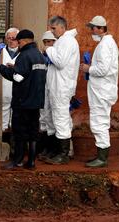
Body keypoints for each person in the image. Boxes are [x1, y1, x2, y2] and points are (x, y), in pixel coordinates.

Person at [0, 29, 46, 170]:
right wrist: (17, 68)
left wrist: (3, 69)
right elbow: (30, 73)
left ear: (24, 41)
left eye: (18, 42)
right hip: (36, 101)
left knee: (19, 131)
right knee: (33, 132)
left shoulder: (24, 55)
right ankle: (31, 161)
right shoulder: (39, 55)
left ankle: (17, 161)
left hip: (22, 101)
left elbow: (17, 77)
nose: (18, 44)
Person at [79, 16, 119, 167]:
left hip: (102, 91)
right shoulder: (107, 43)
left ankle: (102, 158)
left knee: (99, 122)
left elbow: (103, 69)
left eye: (93, 28)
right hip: (103, 89)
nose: (91, 31)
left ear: (100, 29)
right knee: (99, 121)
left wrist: (87, 68)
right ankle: (100, 156)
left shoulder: (105, 45)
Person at [42, 16, 80, 165]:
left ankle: (63, 154)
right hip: (56, 86)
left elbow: (60, 62)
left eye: (54, 28)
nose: (52, 31)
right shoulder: (62, 41)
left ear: (62, 27)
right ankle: (56, 150)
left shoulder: (68, 41)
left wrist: (48, 49)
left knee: (61, 118)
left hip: (62, 87)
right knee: (53, 118)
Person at [38, 30, 57, 160]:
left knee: (55, 120)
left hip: (57, 91)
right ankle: (46, 147)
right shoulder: (42, 56)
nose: (47, 44)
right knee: (44, 118)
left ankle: (56, 149)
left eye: (49, 42)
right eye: (45, 42)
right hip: (44, 90)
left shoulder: (58, 56)